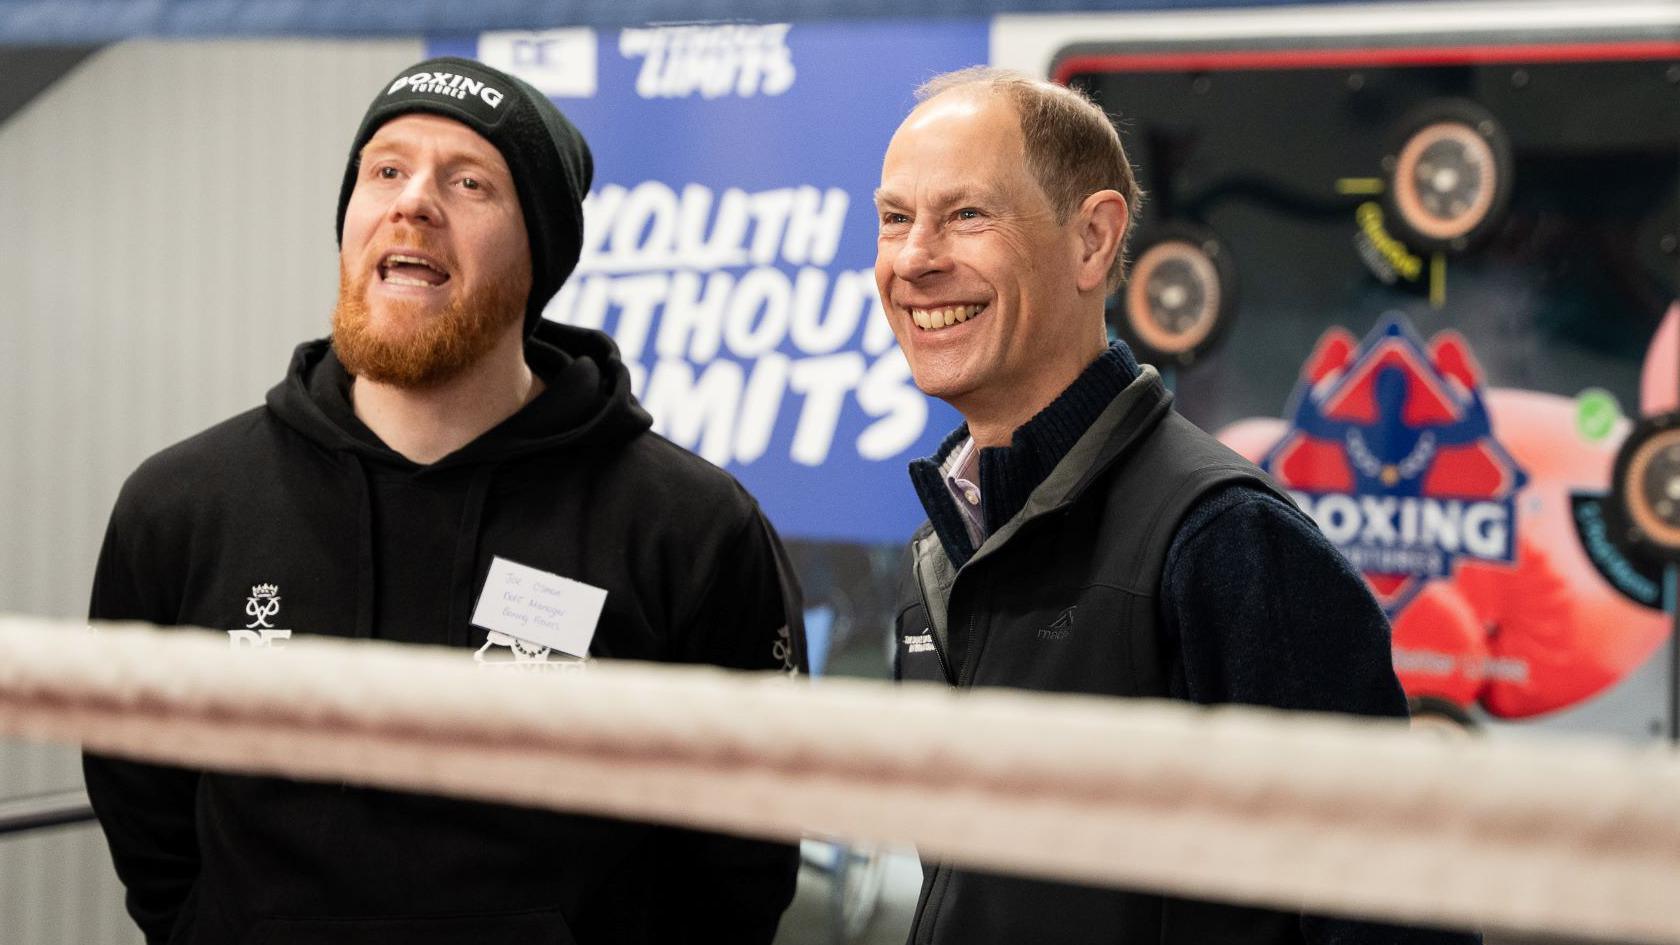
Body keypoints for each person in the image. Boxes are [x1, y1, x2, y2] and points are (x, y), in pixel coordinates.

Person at [83, 56, 804, 945]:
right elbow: (141, 802)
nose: (412, 201)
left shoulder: (690, 526)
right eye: (385, 170)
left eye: (469, 182)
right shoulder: (182, 506)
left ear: (537, 252)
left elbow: (742, 854)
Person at [876, 67, 1480, 945]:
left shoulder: (1228, 540)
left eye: (967, 214)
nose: (916, 258)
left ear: (1093, 240)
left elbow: (1390, 922)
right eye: (895, 218)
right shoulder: (944, 549)